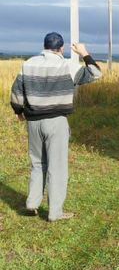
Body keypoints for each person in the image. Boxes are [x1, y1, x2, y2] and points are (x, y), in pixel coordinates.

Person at [10, 32, 102, 222]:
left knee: (37, 163)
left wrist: (18, 111)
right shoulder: (67, 66)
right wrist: (84, 53)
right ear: (61, 48)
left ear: (44, 46)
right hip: (57, 121)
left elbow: (17, 91)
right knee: (57, 167)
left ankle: (32, 203)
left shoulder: (29, 64)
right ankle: (55, 212)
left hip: (33, 122)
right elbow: (96, 73)